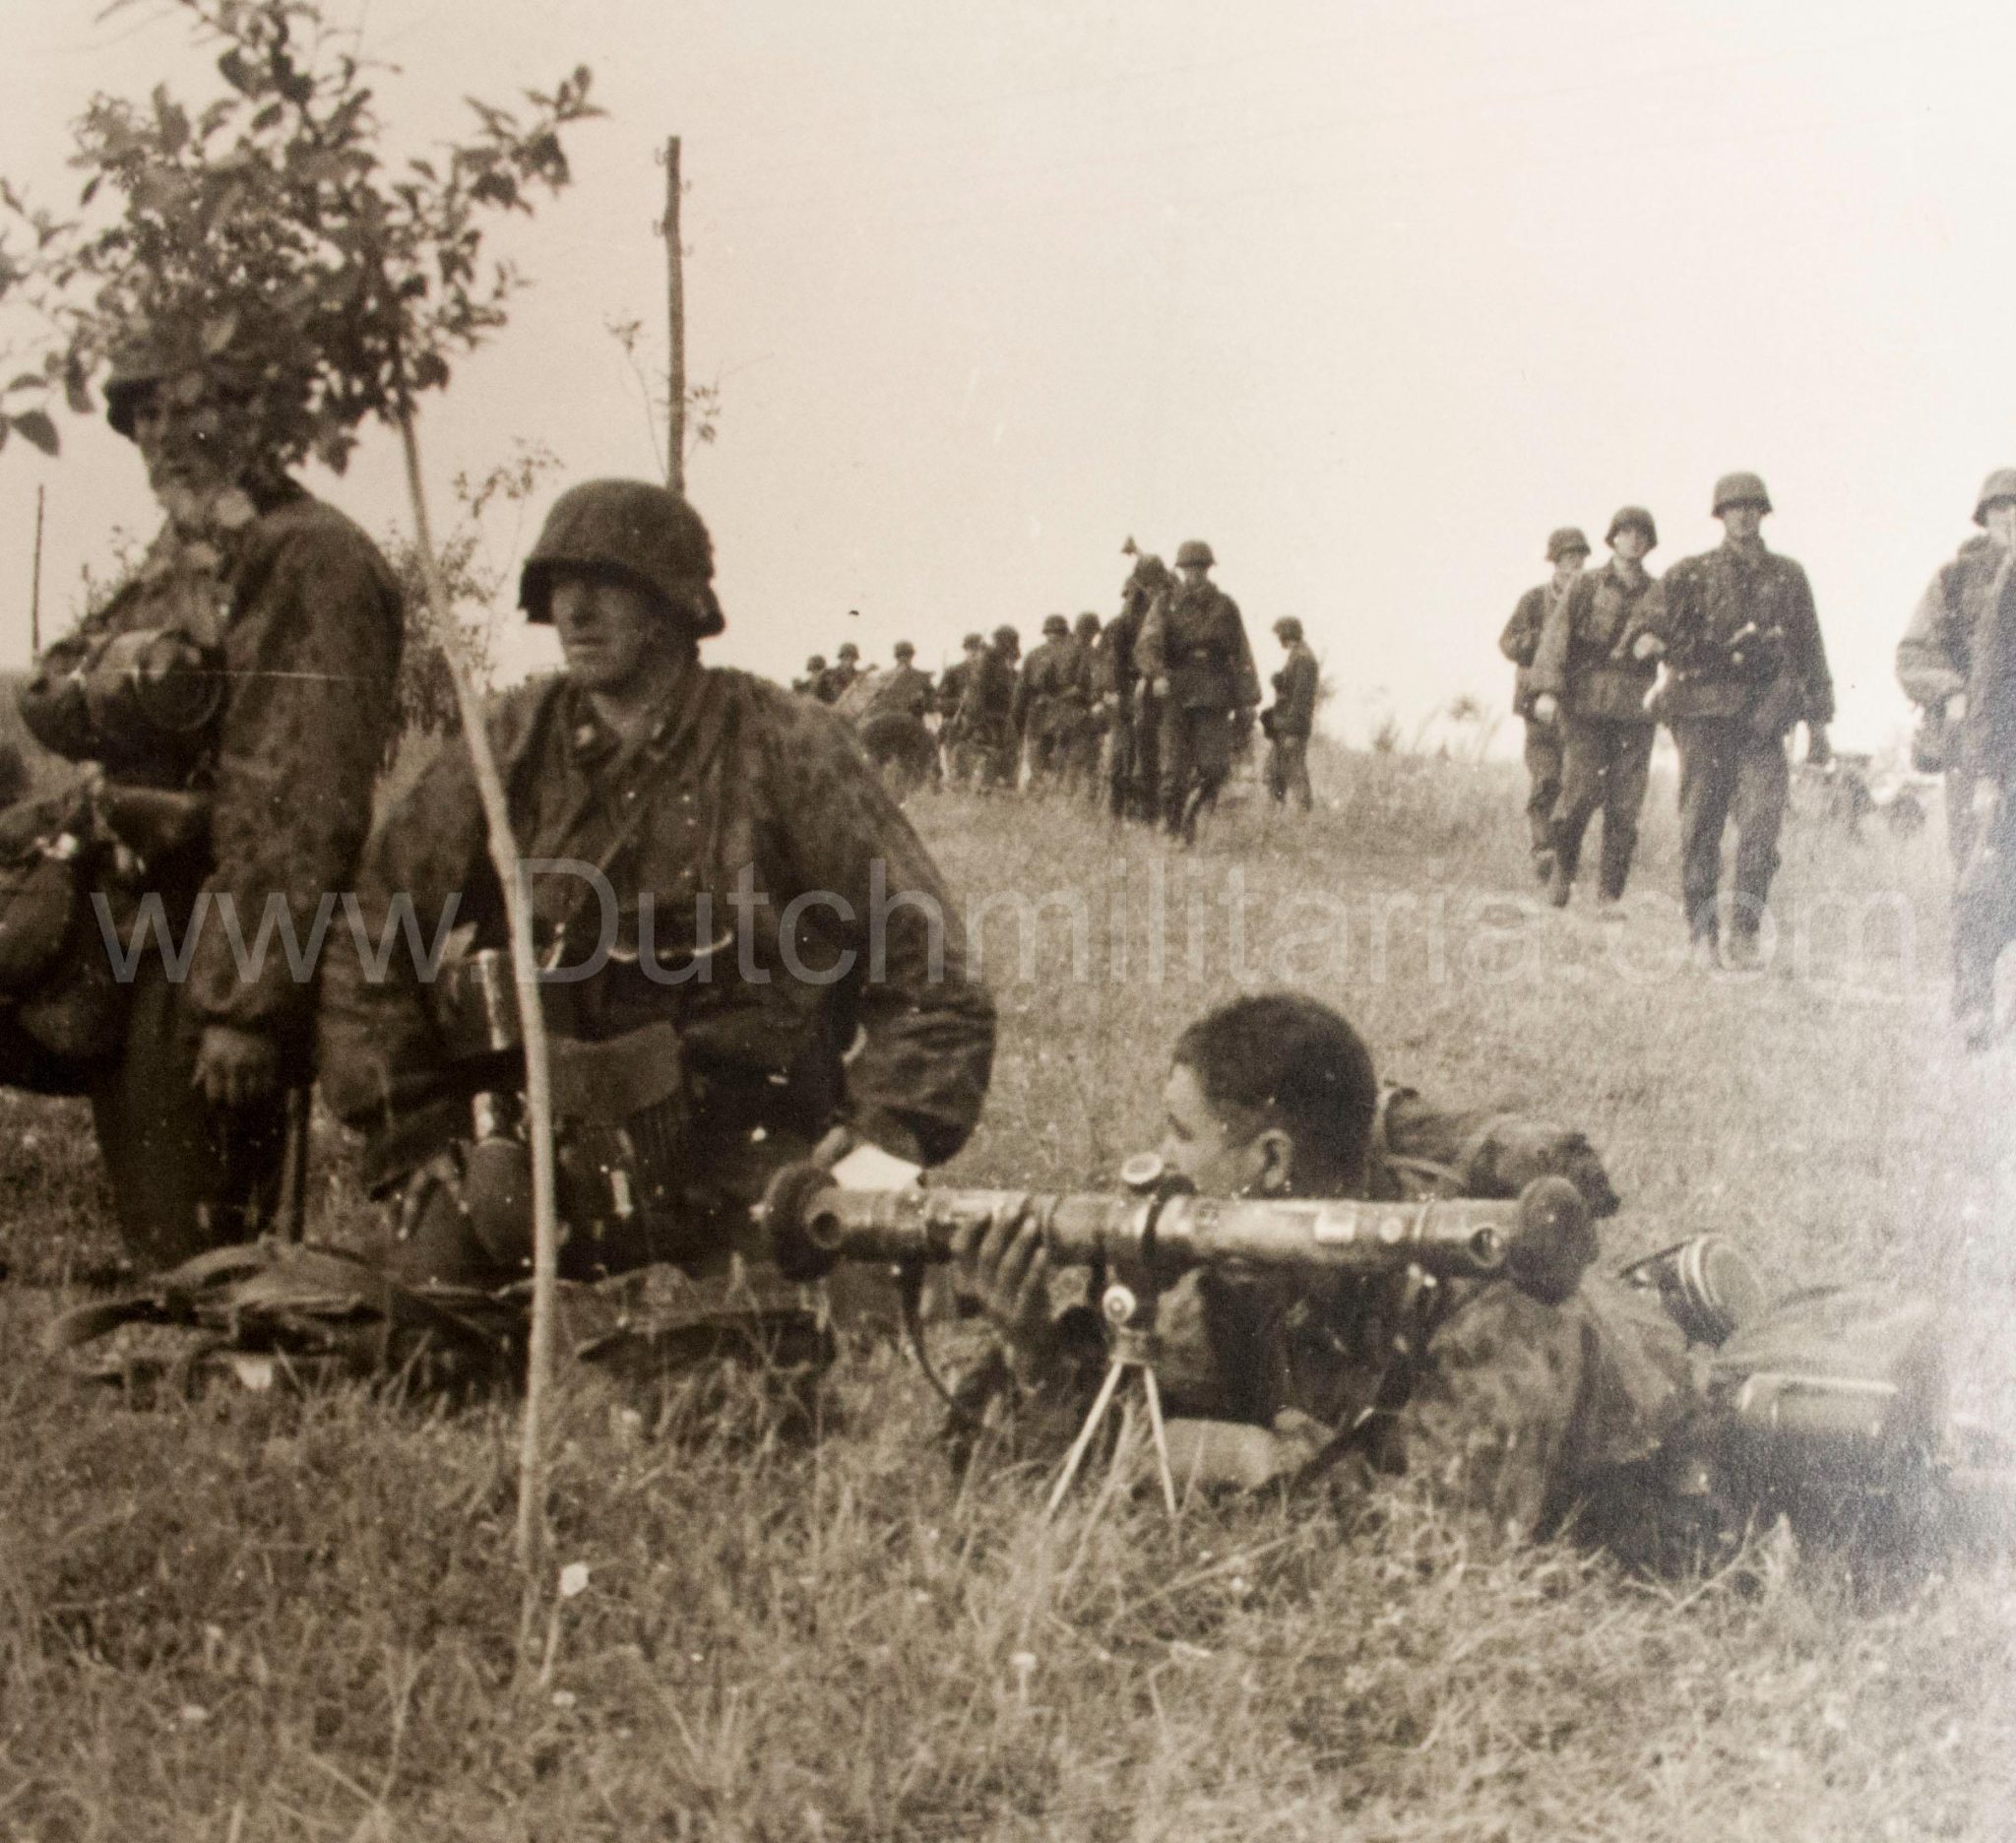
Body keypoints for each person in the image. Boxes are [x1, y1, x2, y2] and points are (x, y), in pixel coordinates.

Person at [317, 479, 996, 1293]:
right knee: (425, 1334)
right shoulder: (509, 746)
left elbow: (933, 973)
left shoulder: (785, 745)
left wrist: (884, 1134)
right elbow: (371, 931)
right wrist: (415, 1131)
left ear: (673, 604)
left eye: (606, 584)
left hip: (748, 1151)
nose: (575, 611)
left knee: (824, 1329)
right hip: (540, 1158)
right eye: (558, 588)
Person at [945, 991, 1700, 1547]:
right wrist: (1034, 1349)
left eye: (1181, 1134)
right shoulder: (1243, 1274)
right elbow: (1095, 1450)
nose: (1155, 1162)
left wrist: (1258, 1461)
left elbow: (1442, 1548)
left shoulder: (1491, 1302)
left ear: (1271, 1161)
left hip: (1665, 1436)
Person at [0, 324, 402, 1270]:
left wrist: (245, 1007)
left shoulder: (310, 560)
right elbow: (54, 692)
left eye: (192, 411)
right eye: (145, 417)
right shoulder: (190, 556)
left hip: (212, 942)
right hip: (127, 920)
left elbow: (295, 804)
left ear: (256, 420)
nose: (164, 440)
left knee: (199, 1267)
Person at [1645, 473, 1833, 968]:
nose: (1744, 516)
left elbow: (1810, 649)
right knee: (1700, 828)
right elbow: (1649, 620)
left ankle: (1744, 932)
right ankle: (1702, 933)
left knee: (1762, 827)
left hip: (1764, 721)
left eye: (1753, 507)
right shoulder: (1691, 573)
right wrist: (1652, 640)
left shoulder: (1788, 575)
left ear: (1763, 514)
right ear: (1721, 515)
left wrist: (1820, 723)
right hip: (1704, 716)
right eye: (1734, 508)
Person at [1530, 509, 1662, 908]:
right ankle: (1564, 876)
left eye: (1642, 535)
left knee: (1625, 804)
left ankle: (1609, 896)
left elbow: (1681, 637)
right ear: (1613, 539)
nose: (1633, 540)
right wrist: (1547, 691)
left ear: (1649, 543)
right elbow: (1556, 636)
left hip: (1636, 710)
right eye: (1626, 533)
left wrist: (1661, 644)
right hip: (1586, 706)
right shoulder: (1586, 585)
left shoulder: (1660, 593)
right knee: (1579, 794)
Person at [1898, 469, 2016, 879]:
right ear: (1984, 516)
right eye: (2001, 506)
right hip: (1973, 737)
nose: (2011, 515)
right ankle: (1968, 943)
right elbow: (1914, 654)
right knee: (1976, 858)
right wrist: (1951, 692)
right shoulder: (1955, 578)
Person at [1941, 480, 2016, 1049]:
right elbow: (1989, 676)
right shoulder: (2003, 578)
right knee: (1987, 876)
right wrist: (1987, 769)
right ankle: (1973, 1002)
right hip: (2005, 756)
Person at [1136, 540, 1261, 842]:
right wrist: (1157, 674)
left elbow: (1241, 652)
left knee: (1215, 768)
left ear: (1208, 570)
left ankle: (1191, 816)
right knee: (1173, 769)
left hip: (1214, 692)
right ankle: (1173, 827)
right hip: (1176, 690)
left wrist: (1247, 699)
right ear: (1181, 571)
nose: (1195, 575)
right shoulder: (1165, 602)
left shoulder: (1225, 605)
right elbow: (1148, 643)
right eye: (1189, 569)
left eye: (1200, 569)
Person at [1499, 528, 1590, 881]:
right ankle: (1543, 849)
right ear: (1555, 564)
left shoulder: (1589, 601)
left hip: (1576, 706)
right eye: (1568, 561)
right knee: (1545, 777)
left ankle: (1564, 854)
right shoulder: (1534, 600)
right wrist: (1545, 641)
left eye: (1580, 561)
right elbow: (1507, 643)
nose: (1575, 568)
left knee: (1575, 783)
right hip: (1536, 706)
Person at [1101, 547, 1167, 823]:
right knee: (1121, 759)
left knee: (1149, 757)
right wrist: (1114, 691)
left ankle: (1146, 815)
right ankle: (1117, 814)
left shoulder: (1163, 613)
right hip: (1126, 694)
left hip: (1152, 694)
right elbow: (1111, 659)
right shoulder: (1119, 625)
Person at [853, 640, 939, 798]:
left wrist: (921, 699)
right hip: (886, 728)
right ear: (896, 657)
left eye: (907, 656)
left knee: (918, 760)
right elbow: (869, 702)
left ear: (912, 657)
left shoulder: (921, 679)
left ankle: (926, 791)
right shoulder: (884, 677)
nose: (904, 659)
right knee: (877, 762)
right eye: (901, 656)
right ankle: (874, 794)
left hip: (911, 729)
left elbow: (932, 706)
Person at [1012, 614, 1083, 793]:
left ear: (1046, 632)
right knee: (1065, 761)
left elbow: (1020, 694)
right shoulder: (1077, 652)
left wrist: (1018, 725)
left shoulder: (1034, 655)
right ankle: (1060, 796)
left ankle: (1040, 794)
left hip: (1038, 714)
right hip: (1068, 714)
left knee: (1038, 762)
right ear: (1065, 631)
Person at [1263, 615, 1319, 812]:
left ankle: (1303, 818)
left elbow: (1301, 699)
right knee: (1274, 773)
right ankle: (1278, 818)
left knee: (1294, 772)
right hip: (1285, 726)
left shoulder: (1303, 658)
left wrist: (1293, 732)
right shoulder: (1298, 655)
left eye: (1280, 634)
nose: (1279, 638)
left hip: (1291, 728)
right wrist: (1280, 681)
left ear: (1287, 634)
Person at [936, 633, 987, 786]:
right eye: (970, 649)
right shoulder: (954, 671)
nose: (974, 652)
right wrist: (960, 702)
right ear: (965, 650)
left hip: (984, 727)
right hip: (958, 727)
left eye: (977, 649)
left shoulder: (989, 674)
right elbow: (939, 702)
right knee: (957, 771)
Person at [1065, 612, 1106, 799]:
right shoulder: (1092, 654)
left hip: (1070, 713)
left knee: (1079, 760)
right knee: (1084, 760)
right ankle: (1078, 798)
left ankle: (1071, 797)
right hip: (1081, 713)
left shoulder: (1068, 650)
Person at [816, 641, 861, 705]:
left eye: (852, 657)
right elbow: (816, 698)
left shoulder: (859, 677)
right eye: (846, 657)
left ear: (855, 659)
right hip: (830, 712)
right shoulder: (827, 675)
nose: (849, 660)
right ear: (841, 658)